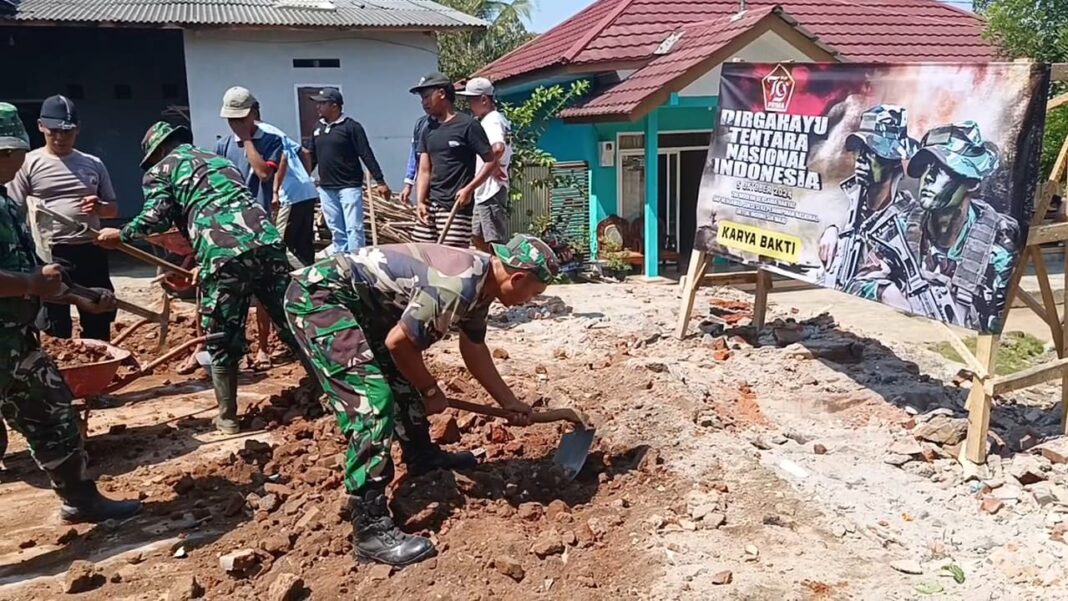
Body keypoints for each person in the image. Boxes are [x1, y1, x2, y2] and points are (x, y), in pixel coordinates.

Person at [284, 234, 558, 566]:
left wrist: (508, 402)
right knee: (374, 401)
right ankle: (369, 528)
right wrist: (430, 389)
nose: (531, 300)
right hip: (319, 300)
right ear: (517, 278)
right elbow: (400, 343)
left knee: (401, 382)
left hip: (360, 306)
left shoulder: (485, 283)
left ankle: (421, 456)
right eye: (535, 292)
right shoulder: (457, 286)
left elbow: (473, 348)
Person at [95, 121, 309, 435]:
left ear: (159, 151)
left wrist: (122, 235)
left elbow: (157, 216)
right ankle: (326, 390)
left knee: (222, 334)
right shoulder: (219, 162)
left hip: (223, 254)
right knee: (291, 319)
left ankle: (227, 417)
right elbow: (222, 211)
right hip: (266, 242)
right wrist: (201, 261)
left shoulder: (161, 170)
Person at [0, 102, 141, 522]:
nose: (10, 159)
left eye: (12, 150)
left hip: (15, 342)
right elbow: (29, 280)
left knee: (53, 414)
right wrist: (29, 284)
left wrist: (80, 296)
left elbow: (34, 276)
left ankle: (80, 499)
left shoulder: (7, 207)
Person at [6, 95, 119, 340]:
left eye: (67, 132)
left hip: (91, 249)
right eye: (54, 131)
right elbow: (15, 209)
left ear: (77, 129)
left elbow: (112, 210)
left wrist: (100, 208)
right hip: (51, 253)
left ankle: (99, 367)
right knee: (54, 323)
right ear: (40, 127)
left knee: (99, 312)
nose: (60, 138)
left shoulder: (93, 164)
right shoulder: (27, 163)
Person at [817, 105, 917, 290]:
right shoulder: (849, 200)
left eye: (872, 151)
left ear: (893, 161)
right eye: (859, 149)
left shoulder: (909, 220)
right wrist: (830, 229)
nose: (861, 158)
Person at [409, 72, 499, 248]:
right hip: (430, 206)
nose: (424, 103)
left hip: (456, 207)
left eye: (427, 97)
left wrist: (469, 189)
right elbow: (424, 169)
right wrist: (420, 201)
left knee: (451, 261)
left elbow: (491, 161)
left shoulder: (468, 125)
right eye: (422, 99)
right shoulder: (427, 128)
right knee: (422, 254)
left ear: (442, 94)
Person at [305, 87, 390, 254]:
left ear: (334, 106)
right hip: (327, 187)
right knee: (336, 230)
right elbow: (312, 156)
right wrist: (304, 176)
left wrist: (380, 180)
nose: (318, 107)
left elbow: (366, 154)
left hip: (348, 186)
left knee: (354, 228)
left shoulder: (351, 127)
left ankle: (357, 263)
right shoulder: (317, 127)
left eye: (322, 103)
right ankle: (343, 262)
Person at [457, 77, 513, 251]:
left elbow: (498, 147)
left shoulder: (492, 120)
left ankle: (501, 274)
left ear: (484, 100)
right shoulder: (496, 119)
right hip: (485, 191)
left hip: (491, 190)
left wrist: (493, 165)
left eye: (471, 100)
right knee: (477, 235)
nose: (469, 105)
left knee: (494, 240)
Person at [400, 114, 430, 206]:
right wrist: (408, 185)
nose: (425, 102)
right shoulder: (420, 124)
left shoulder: (453, 124)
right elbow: (414, 157)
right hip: (425, 183)